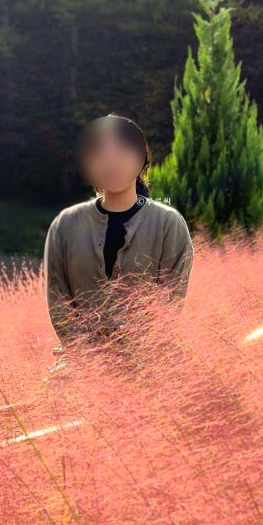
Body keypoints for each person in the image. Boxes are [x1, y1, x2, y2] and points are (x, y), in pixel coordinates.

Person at [42, 113, 194, 365]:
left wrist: (131, 354)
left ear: (141, 158)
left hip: (151, 361)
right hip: (80, 364)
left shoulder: (168, 223)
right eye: (99, 153)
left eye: (121, 152)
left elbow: (169, 303)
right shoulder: (65, 225)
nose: (111, 162)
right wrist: (87, 355)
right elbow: (58, 302)